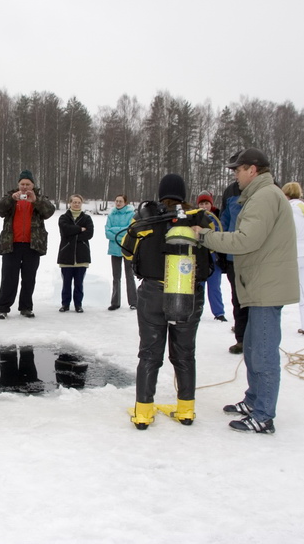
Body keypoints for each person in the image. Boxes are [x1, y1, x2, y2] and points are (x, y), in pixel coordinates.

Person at [192, 148, 299, 434]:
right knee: (252, 348)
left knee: (263, 353)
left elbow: (246, 240)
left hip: (267, 287)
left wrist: (206, 237)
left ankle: (263, 415)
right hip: (259, 284)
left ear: (253, 170)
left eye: (237, 170)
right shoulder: (259, 195)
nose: (235, 176)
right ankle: (253, 400)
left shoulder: (264, 197)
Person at [122, 174, 215, 430]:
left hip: (153, 292)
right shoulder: (200, 218)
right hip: (188, 292)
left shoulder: (146, 217)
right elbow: (215, 245)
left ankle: (143, 412)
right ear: (184, 194)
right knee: (185, 354)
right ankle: (186, 409)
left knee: (150, 353)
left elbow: (126, 250)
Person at [0, 169, 55, 319]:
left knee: (29, 278)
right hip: (11, 244)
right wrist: (11, 199)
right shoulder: (10, 197)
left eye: (28, 184)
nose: (25, 187)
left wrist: (36, 201)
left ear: (33, 185)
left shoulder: (39, 198)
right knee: (9, 277)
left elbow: (49, 212)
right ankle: (3, 308)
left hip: (32, 245)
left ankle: (26, 307)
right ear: (18, 185)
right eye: (22, 184)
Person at [283, 182, 304, 338]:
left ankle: (269, 323)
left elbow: (287, 232)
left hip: (293, 253)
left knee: (278, 289)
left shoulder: (288, 209)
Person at [219, 173, 248, 353]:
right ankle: (242, 339)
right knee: (237, 299)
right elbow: (225, 220)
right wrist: (221, 249)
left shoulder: (268, 189)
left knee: (258, 303)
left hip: (256, 257)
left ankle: (258, 340)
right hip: (233, 257)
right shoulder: (230, 191)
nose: (236, 174)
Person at [57, 194, 94, 313]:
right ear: (70, 203)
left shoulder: (87, 218)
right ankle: (65, 304)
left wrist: (73, 234)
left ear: (81, 204)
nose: (76, 204)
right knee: (66, 283)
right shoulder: (63, 217)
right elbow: (65, 231)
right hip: (66, 254)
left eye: (78, 202)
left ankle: (78, 305)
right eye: (74, 202)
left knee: (79, 283)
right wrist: (79, 229)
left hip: (81, 256)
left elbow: (89, 234)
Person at [196, 190, 227, 322]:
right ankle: (196, 310)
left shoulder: (217, 217)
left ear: (211, 204)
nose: (204, 206)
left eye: (206, 203)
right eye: (201, 203)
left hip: (214, 256)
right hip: (200, 257)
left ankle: (219, 312)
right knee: (199, 286)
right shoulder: (195, 217)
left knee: (214, 286)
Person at [104, 194, 137, 311]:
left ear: (125, 203)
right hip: (114, 249)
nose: (118, 203)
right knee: (116, 277)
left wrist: (115, 231)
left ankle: (133, 302)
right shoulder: (111, 214)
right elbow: (107, 232)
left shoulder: (131, 214)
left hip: (127, 249)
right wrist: (119, 232)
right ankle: (115, 302)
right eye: (117, 201)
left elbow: (129, 230)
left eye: (120, 201)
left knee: (130, 276)